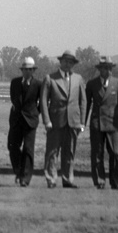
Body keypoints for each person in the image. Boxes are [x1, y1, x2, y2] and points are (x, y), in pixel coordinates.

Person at [40, 50, 86, 188]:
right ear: (60, 62)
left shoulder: (78, 79)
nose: (68, 64)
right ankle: (51, 179)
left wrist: (82, 122)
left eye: (71, 62)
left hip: (73, 122)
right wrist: (46, 120)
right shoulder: (50, 78)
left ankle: (68, 180)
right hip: (55, 121)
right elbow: (43, 101)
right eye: (65, 61)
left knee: (69, 152)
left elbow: (83, 101)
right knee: (52, 152)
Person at [84, 56, 118, 189]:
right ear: (99, 69)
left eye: (109, 68)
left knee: (115, 153)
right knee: (97, 154)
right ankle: (99, 181)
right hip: (97, 123)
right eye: (104, 68)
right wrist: (82, 123)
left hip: (113, 124)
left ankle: (115, 181)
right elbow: (86, 104)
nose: (107, 71)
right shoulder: (91, 84)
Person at [7, 57, 43, 187]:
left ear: (33, 71)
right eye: (25, 69)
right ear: (22, 70)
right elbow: (13, 98)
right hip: (16, 120)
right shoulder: (15, 83)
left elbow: (42, 103)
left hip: (30, 121)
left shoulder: (38, 84)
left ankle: (25, 178)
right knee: (12, 146)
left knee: (28, 149)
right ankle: (18, 170)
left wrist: (34, 113)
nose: (27, 72)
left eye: (30, 69)